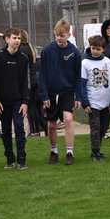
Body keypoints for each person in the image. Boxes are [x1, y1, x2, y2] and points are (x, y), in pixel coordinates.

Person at [39, 19, 82, 165]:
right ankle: (54, 151)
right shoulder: (47, 51)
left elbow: (78, 76)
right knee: (51, 125)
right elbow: (42, 75)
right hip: (51, 93)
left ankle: (70, 152)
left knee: (68, 119)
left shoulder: (74, 52)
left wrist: (78, 95)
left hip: (67, 92)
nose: (59, 38)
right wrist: (44, 95)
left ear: (69, 35)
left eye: (62, 35)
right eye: (57, 35)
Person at [0, 28, 30, 169]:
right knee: (6, 130)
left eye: (19, 38)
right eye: (14, 38)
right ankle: (10, 159)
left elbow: (26, 82)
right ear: (7, 39)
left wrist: (25, 102)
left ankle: (21, 160)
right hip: (2, 102)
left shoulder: (23, 58)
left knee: (19, 128)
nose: (17, 41)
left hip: (18, 101)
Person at [81, 35, 110, 161]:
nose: (95, 51)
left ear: (103, 49)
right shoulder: (85, 63)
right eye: (93, 48)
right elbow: (82, 84)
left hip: (106, 102)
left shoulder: (107, 61)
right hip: (93, 102)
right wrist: (85, 103)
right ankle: (95, 152)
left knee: (104, 127)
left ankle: (98, 149)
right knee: (95, 128)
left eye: (98, 49)